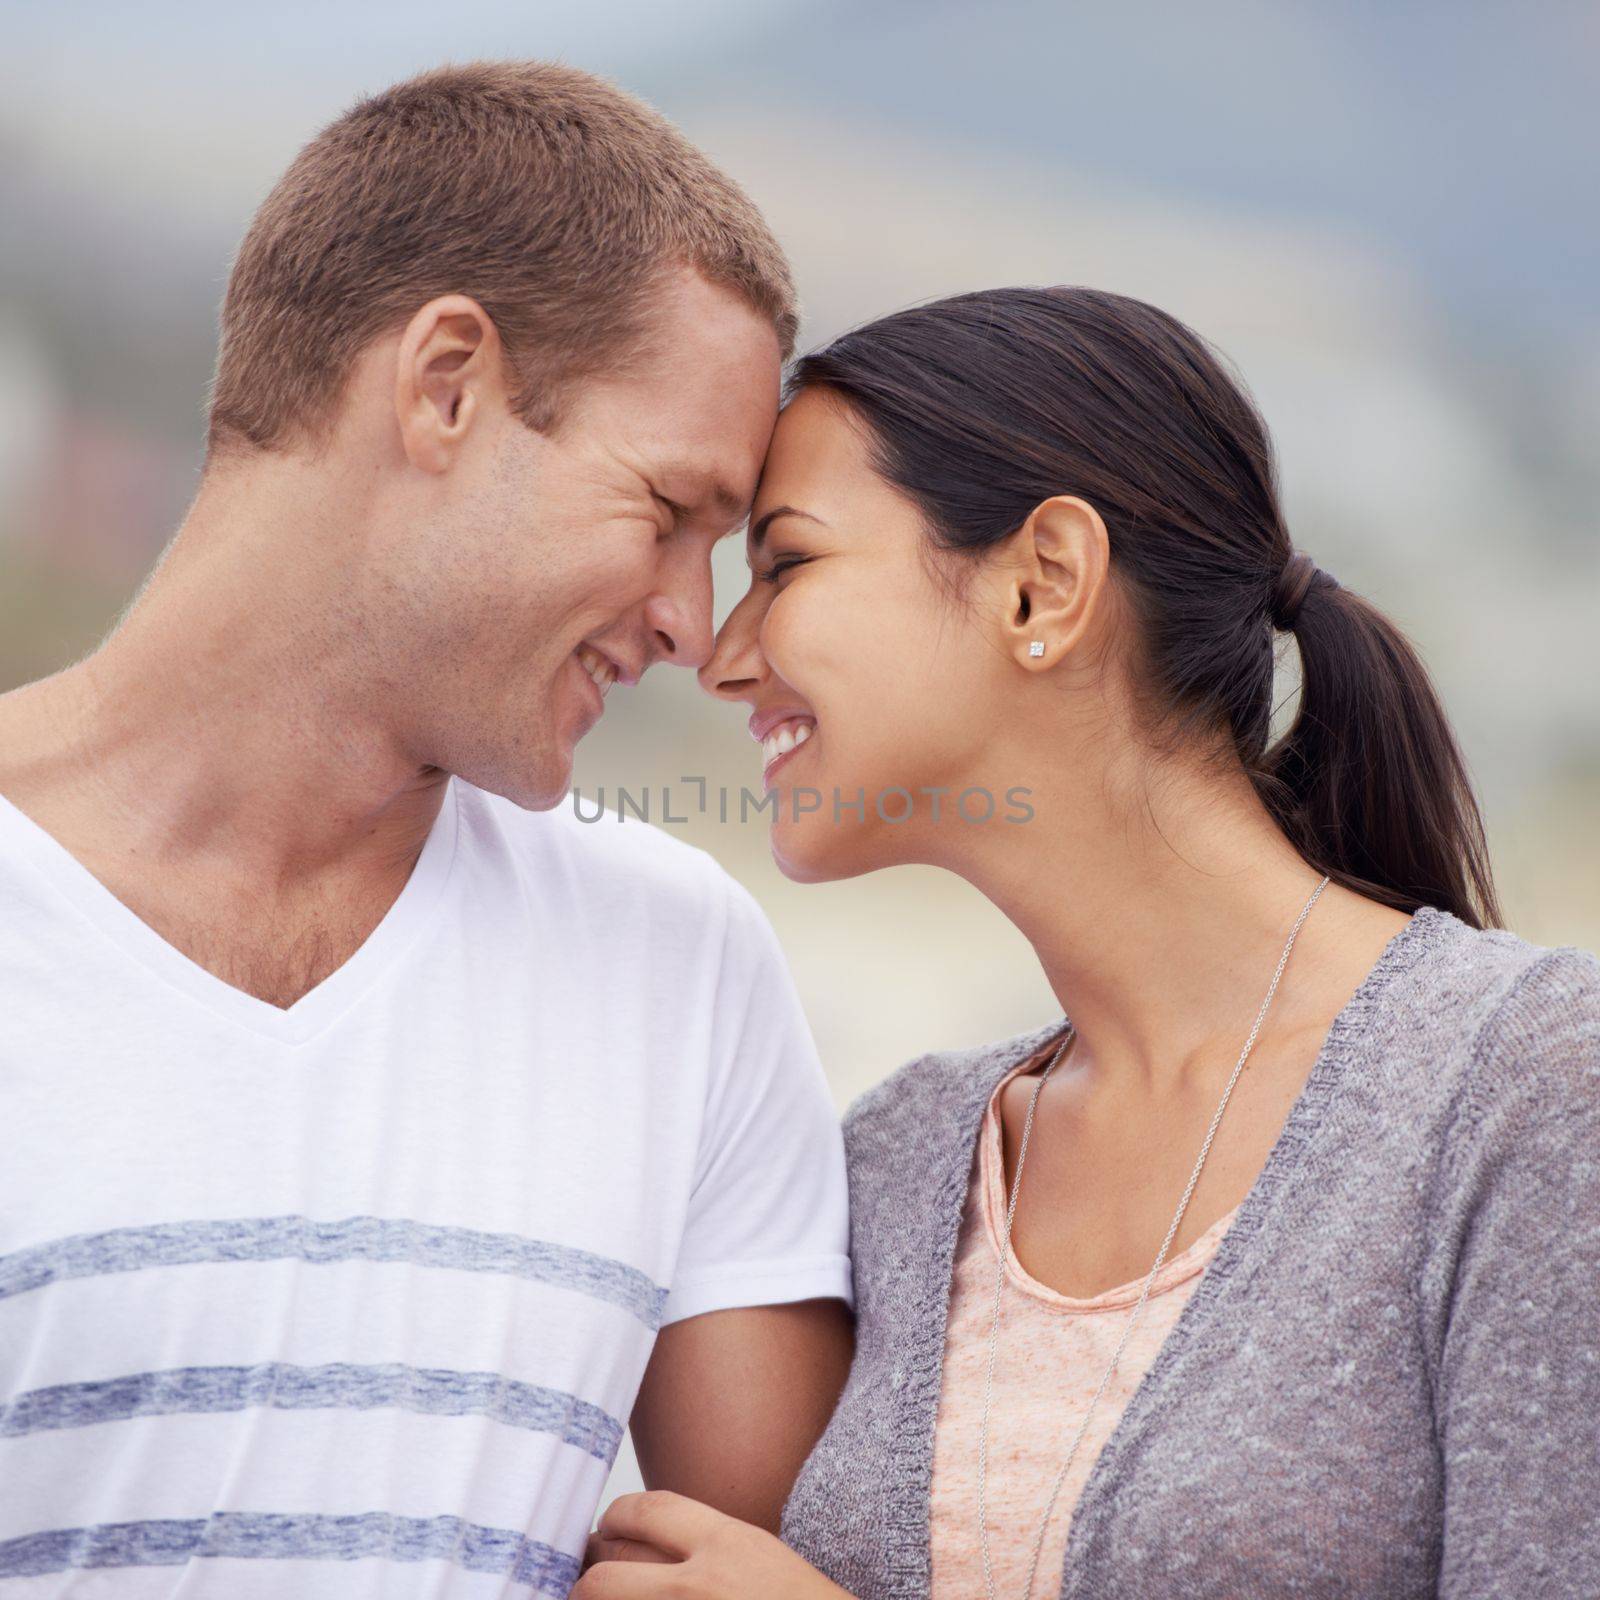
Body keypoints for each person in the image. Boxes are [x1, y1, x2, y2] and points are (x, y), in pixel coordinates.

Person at [577, 287, 1600, 1598]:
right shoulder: (899, 1165)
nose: (724, 657)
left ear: (1042, 583)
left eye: (784, 566)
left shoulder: (1528, 1092)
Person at [0, 61, 854, 1596]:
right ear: (445, 383)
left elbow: (800, 1565)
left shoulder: (685, 969)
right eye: (668, 513)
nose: (691, 624)